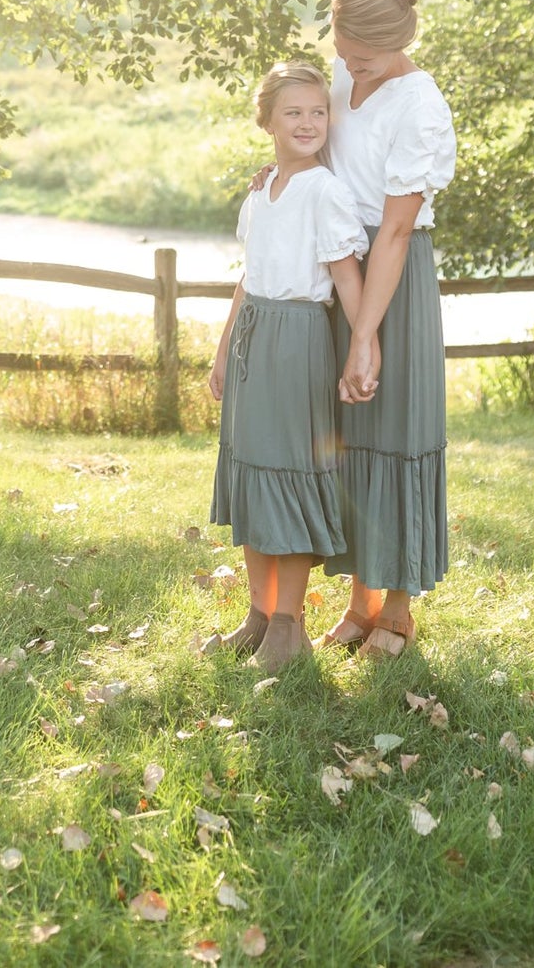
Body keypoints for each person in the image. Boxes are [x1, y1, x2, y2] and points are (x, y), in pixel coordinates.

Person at [207, 62, 367, 672]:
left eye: (318, 112)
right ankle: (256, 614)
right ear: (268, 121)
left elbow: (346, 276)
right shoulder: (263, 188)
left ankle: (287, 625)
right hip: (253, 339)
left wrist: (363, 347)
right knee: (252, 474)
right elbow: (249, 277)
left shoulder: (325, 192)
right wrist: (224, 349)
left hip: (299, 340)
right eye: (294, 112)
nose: (308, 123)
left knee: (290, 476)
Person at [319, 0, 457, 659]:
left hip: (391, 280)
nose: (349, 64)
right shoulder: (342, 77)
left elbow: (397, 232)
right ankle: (360, 600)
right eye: (342, 48)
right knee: (350, 435)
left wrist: (365, 334)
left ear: (397, 43)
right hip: (341, 265)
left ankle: (396, 610)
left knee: (394, 430)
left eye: (363, 57)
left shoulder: (420, 105)